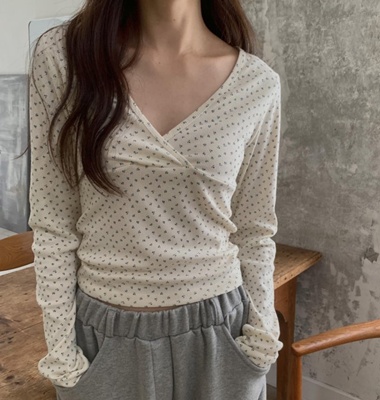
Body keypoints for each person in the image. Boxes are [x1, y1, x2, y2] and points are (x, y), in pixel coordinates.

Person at [28, 0, 283, 399]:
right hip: (105, 342)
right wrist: (62, 356)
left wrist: (262, 338)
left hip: (223, 338)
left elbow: (254, 230)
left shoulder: (257, 84)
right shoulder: (65, 58)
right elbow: (53, 224)